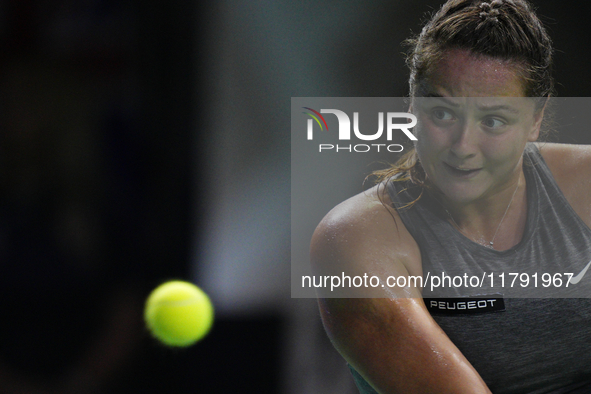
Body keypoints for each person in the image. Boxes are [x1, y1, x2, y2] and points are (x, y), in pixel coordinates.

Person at [310, 0, 591, 393]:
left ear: (536, 118)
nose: (463, 146)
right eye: (442, 113)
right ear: (412, 103)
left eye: (493, 120)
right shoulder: (354, 239)